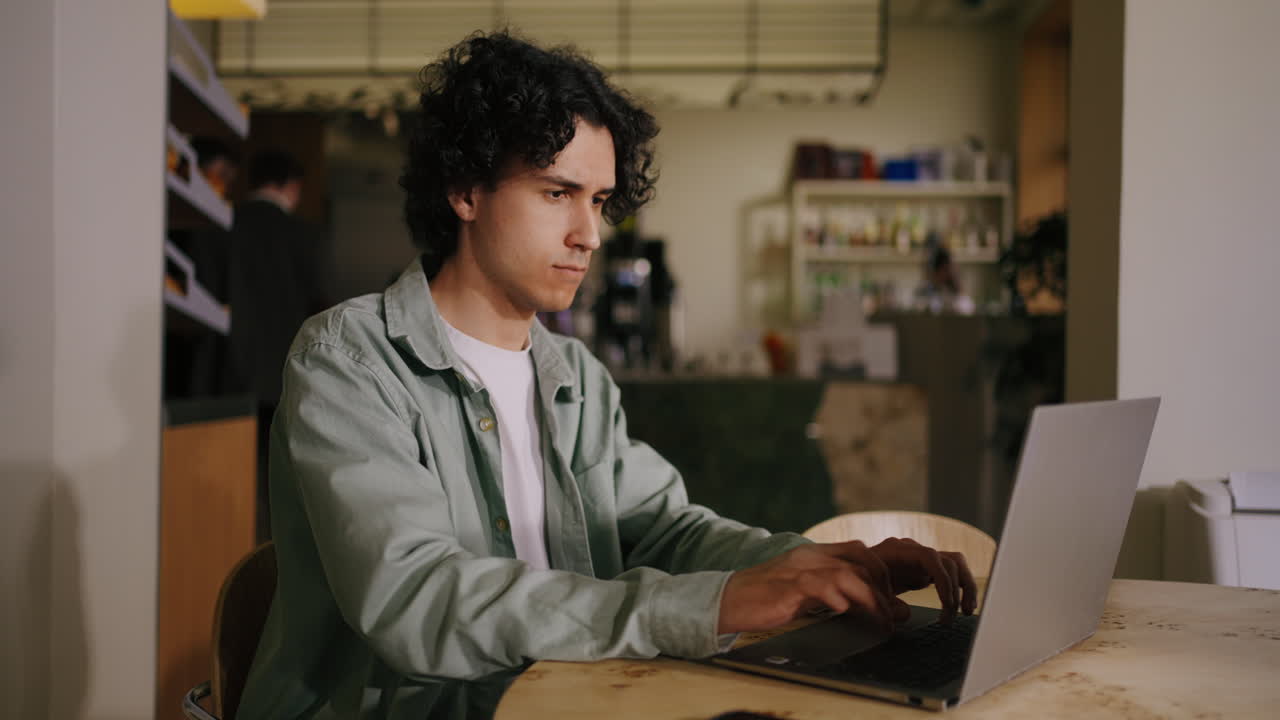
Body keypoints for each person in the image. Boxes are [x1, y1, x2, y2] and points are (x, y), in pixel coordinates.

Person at [236, 31, 976, 720]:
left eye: (597, 201)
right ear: (465, 191)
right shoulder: (348, 359)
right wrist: (710, 606)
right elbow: (418, 599)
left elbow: (663, 530)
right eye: (557, 193)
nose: (588, 234)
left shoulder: (575, 376)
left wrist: (812, 564)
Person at [226, 148, 327, 540]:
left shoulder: (224, 223)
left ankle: (229, 540)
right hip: (283, 366)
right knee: (275, 475)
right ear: (292, 186)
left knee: (222, 463)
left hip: (226, 365)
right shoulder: (303, 235)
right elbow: (318, 300)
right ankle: (265, 548)